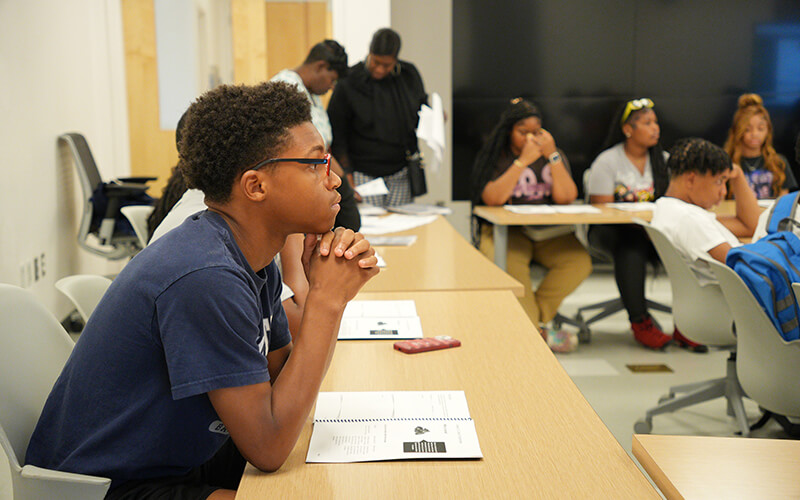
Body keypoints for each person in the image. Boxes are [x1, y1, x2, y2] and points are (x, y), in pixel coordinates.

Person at [25, 81, 379, 499]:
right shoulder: (206, 275)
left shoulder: (250, 256)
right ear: (256, 186)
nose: (334, 179)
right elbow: (269, 446)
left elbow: (282, 377)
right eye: (314, 164)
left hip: (178, 456)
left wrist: (324, 290)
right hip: (106, 486)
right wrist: (327, 300)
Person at [471, 98, 591, 352]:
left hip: (547, 232)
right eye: (522, 132)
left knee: (579, 262)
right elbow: (491, 199)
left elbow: (567, 196)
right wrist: (522, 162)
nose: (530, 139)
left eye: (536, 133)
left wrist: (553, 156)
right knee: (514, 273)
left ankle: (533, 327)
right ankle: (537, 333)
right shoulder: (496, 155)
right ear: (509, 131)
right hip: (507, 232)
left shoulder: (552, 154)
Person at [587, 98, 701, 350]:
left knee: (686, 247)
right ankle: (641, 323)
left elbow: (678, 202)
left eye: (656, 123)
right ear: (628, 129)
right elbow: (600, 210)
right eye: (647, 123)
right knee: (631, 245)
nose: (655, 128)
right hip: (612, 232)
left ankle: (686, 325)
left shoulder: (664, 160)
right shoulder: (608, 161)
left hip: (655, 231)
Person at [328, 28, 428, 207]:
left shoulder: (408, 76)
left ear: (396, 59)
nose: (380, 69)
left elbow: (421, 107)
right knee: (371, 228)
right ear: (369, 53)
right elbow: (338, 133)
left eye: (387, 65)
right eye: (376, 62)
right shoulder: (349, 82)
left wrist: (434, 117)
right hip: (363, 174)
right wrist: (347, 175)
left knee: (401, 226)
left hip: (400, 171)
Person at [270, 39, 360, 230]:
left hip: (321, 175)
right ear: (321, 66)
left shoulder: (312, 94)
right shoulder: (287, 88)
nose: (332, 86)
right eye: (332, 79)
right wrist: (343, 185)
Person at [652, 138, 760, 284]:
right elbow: (744, 265)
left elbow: (749, 226)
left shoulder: (666, 208)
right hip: (741, 295)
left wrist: (738, 175)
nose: (723, 192)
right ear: (691, 180)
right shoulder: (690, 219)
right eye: (719, 181)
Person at [723, 93, 797, 199]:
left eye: (761, 128)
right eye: (747, 129)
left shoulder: (779, 163)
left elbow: (783, 204)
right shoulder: (726, 165)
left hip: (769, 215)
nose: (755, 134)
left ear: (768, 130)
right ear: (737, 131)